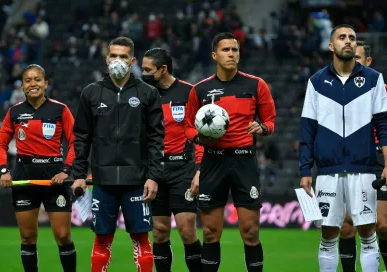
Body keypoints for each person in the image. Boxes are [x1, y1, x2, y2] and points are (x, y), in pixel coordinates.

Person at [299, 24, 387, 272]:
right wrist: (304, 170)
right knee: (329, 235)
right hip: (328, 170)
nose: (348, 41)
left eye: (352, 38)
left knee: (367, 233)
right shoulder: (316, 82)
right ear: (331, 46)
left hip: (363, 168)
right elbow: (307, 129)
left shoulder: (374, 79)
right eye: (342, 37)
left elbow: (383, 126)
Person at [71, 37, 164, 272]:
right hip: (103, 181)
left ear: (133, 60)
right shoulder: (91, 93)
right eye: (114, 56)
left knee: (141, 240)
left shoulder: (148, 93)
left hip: (138, 181)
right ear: (106, 59)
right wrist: (79, 174)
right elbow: (81, 137)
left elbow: (156, 139)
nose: (118, 61)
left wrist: (153, 176)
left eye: (124, 57)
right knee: (102, 240)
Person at [185, 32, 276, 272]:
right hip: (213, 162)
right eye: (226, 50)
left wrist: (263, 127)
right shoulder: (200, 90)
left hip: (244, 162)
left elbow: (270, 121)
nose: (231, 54)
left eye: (235, 50)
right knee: (210, 233)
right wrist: (199, 137)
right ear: (215, 55)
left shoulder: (256, 85)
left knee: (251, 231)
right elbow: (187, 126)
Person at [0, 64, 77, 272]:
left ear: (46, 83)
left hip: (54, 179)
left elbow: (76, 142)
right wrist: (4, 170)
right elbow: (1, 144)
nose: (33, 84)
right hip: (25, 179)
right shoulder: (14, 112)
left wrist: (66, 171)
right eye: (28, 81)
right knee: (27, 237)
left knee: (63, 236)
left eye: (38, 79)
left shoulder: (60, 109)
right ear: (22, 86)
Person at [338, 40, 387, 272]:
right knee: (347, 226)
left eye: (357, 58)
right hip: (346, 159)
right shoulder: (335, 90)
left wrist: (386, 160)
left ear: (368, 61)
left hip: (375, 159)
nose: (353, 62)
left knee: (382, 225)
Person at [141, 48, 203, 272]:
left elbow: (201, 133)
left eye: (148, 70)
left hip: (182, 169)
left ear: (163, 69)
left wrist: (199, 169)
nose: (143, 73)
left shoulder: (189, 93)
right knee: (159, 232)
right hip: (155, 171)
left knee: (187, 229)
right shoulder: (143, 95)